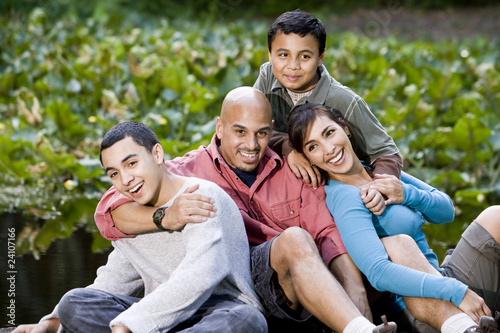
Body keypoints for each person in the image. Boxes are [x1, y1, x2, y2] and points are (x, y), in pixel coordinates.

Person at [93, 87, 398, 333]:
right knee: (295, 239)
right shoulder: (186, 170)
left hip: (284, 283)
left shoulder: (293, 170)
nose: (251, 145)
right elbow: (109, 211)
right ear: (220, 127)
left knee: (343, 249)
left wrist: (356, 290)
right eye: (239, 132)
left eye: (261, 133)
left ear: (271, 131)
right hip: (226, 282)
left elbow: (327, 232)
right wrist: (164, 216)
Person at [13, 121, 267, 333]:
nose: (125, 180)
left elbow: (200, 276)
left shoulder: (199, 196)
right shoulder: (135, 213)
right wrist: (49, 323)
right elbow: (113, 282)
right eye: (113, 173)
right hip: (160, 320)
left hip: (218, 310)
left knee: (245, 321)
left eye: (131, 163)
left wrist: (130, 325)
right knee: (74, 303)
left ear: (157, 154)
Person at [287, 102, 500, 333]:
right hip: (422, 306)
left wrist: (405, 193)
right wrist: (456, 291)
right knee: (399, 244)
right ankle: (462, 326)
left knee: (495, 216)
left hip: (445, 278)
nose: (329, 149)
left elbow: (446, 211)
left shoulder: (378, 171)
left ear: (344, 128)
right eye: (313, 146)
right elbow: (378, 272)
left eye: (329, 133)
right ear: (308, 159)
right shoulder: (345, 197)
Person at [253, 9, 403, 193]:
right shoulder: (268, 75)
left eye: (305, 56)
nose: (293, 66)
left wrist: (378, 189)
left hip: (336, 187)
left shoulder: (344, 100)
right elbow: (252, 126)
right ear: (269, 54)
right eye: (283, 55)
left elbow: (386, 153)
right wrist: (288, 147)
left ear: (320, 57)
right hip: (282, 186)